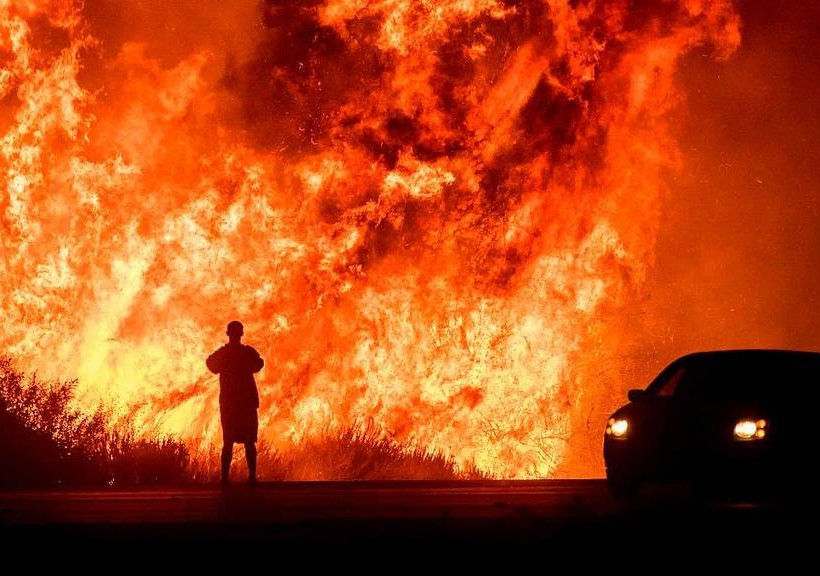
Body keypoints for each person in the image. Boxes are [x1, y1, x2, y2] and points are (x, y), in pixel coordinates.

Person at [206, 320, 264, 485]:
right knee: (249, 442)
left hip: (230, 403)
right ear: (241, 334)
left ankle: (225, 478)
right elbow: (259, 364)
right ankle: (251, 477)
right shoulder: (246, 353)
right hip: (245, 403)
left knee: (228, 441)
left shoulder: (224, 353)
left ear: (228, 334)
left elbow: (210, 364)